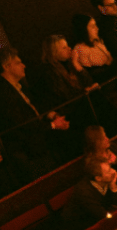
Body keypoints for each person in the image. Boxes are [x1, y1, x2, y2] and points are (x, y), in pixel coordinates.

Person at [0, 47, 68, 186]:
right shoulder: (4, 94)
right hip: (27, 149)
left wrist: (50, 114)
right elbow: (21, 124)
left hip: (38, 138)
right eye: (18, 62)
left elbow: (33, 106)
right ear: (7, 66)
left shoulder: (19, 86)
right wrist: (53, 125)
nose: (23, 65)